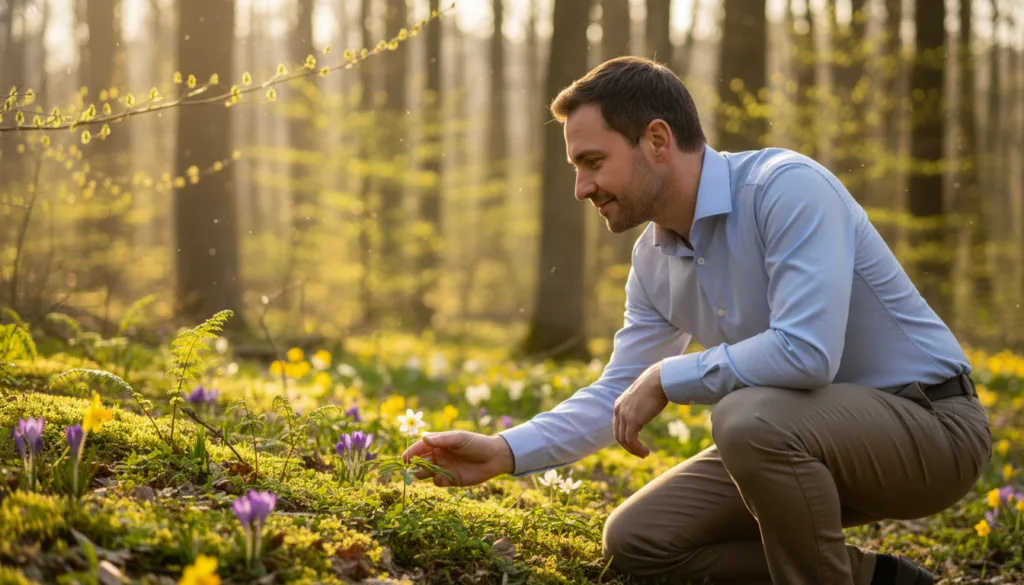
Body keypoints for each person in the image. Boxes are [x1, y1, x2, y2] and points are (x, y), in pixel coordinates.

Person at [401, 56, 992, 585]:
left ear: (657, 139)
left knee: (746, 416)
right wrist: (504, 450)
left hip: (931, 427)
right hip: (800, 439)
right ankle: (877, 580)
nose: (582, 188)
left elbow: (807, 353)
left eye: (593, 161)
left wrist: (666, 376)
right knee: (640, 540)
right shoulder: (653, 260)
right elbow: (617, 391)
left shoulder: (785, 189)